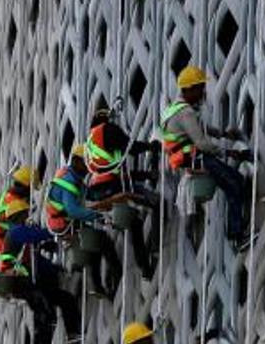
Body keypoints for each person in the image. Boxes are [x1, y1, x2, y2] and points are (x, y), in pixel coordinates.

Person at [159, 64, 254, 245]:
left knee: (232, 184)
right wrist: (229, 152)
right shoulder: (186, 112)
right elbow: (201, 142)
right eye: (200, 88)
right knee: (235, 183)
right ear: (190, 89)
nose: (203, 92)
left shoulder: (174, 109)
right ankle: (238, 235)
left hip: (190, 159)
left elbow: (199, 128)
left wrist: (223, 134)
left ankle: (237, 230)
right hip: (198, 158)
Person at [0, 199, 81, 344]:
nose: (27, 216)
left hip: (28, 281)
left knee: (66, 299)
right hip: (20, 282)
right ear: (18, 216)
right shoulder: (16, 232)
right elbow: (37, 235)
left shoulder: (24, 243)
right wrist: (56, 230)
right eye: (24, 214)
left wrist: (54, 269)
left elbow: (37, 261)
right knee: (44, 309)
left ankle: (73, 334)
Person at [85, 106, 161, 280]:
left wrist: (146, 175)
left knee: (134, 223)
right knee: (157, 203)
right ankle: (155, 251)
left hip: (99, 190)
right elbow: (131, 148)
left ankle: (145, 269)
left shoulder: (89, 142)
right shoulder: (107, 130)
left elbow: (115, 168)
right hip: (115, 186)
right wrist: (151, 146)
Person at [45, 144, 121, 299]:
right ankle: (115, 275)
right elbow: (73, 210)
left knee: (93, 245)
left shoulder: (72, 176)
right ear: (77, 161)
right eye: (87, 162)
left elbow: (87, 194)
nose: (89, 167)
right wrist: (97, 216)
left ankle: (95, 285)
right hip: (66, 225)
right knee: (102, 242)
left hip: (64, 222)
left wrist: (106, 196)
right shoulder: (69, 182)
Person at [0, 165, 40, 259]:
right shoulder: (17, 207)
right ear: (26, 188)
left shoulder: (4, 195)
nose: (31, 193)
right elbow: (23, 232)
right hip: (6, 250)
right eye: (31, 189)